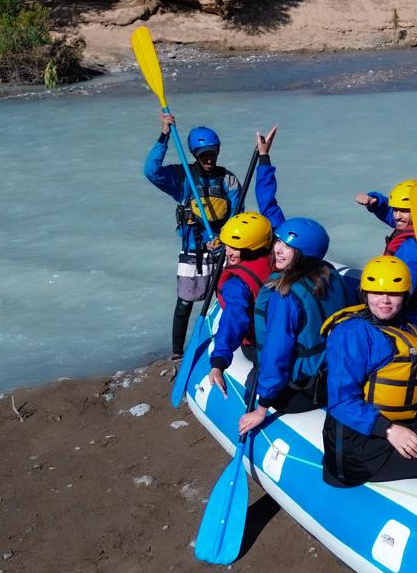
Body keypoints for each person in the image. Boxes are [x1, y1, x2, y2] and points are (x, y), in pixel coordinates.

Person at [320, 256, 417, 487]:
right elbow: (341, 401)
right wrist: (389, 430)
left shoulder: (408, 325)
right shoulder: (352, 333)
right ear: (365, 294)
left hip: (402, 422)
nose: (384, 300)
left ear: (405, 296)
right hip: (359, 441)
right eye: (376, 293)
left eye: (393, 294)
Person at [238, 218, 356, 435]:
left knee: (251, 381)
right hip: (332, 377)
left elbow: (276, 352)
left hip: (302, 391)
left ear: (304, 253)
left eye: (289, 247)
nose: (279, 250)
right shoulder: (329, 274)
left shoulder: (286, 296)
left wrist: (261, 408)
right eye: (279, 242)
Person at [144, 112, 245, 358]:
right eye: (204, 155)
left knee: (228, 297)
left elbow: (237, 214)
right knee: (185, 303)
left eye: (213, 153)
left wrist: (222, 241)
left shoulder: (228, 180)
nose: (209, 159)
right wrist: (164, 136)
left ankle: (230, 342)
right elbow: (151, 171)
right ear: (195, 156)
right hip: (193, 249)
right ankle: (177, 353)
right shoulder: (182, 178)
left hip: (221, 248)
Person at [206, 127, 285, 398]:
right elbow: (268, 203)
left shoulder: (237, 284)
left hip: (261, 344)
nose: (227, 251)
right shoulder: (279, 245)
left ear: (251, 246)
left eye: (234, 247)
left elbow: (234, 320)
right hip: (287, 330)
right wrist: (264, 158)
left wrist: (219, 361)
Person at [354, 180, 417, 290]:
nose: (397, 216)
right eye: (395, 209)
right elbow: (388, 211)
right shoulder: (413, 223)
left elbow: (407, 281)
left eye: (404, 210)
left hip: (400, 295)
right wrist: (375, 202)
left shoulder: (414, 246)